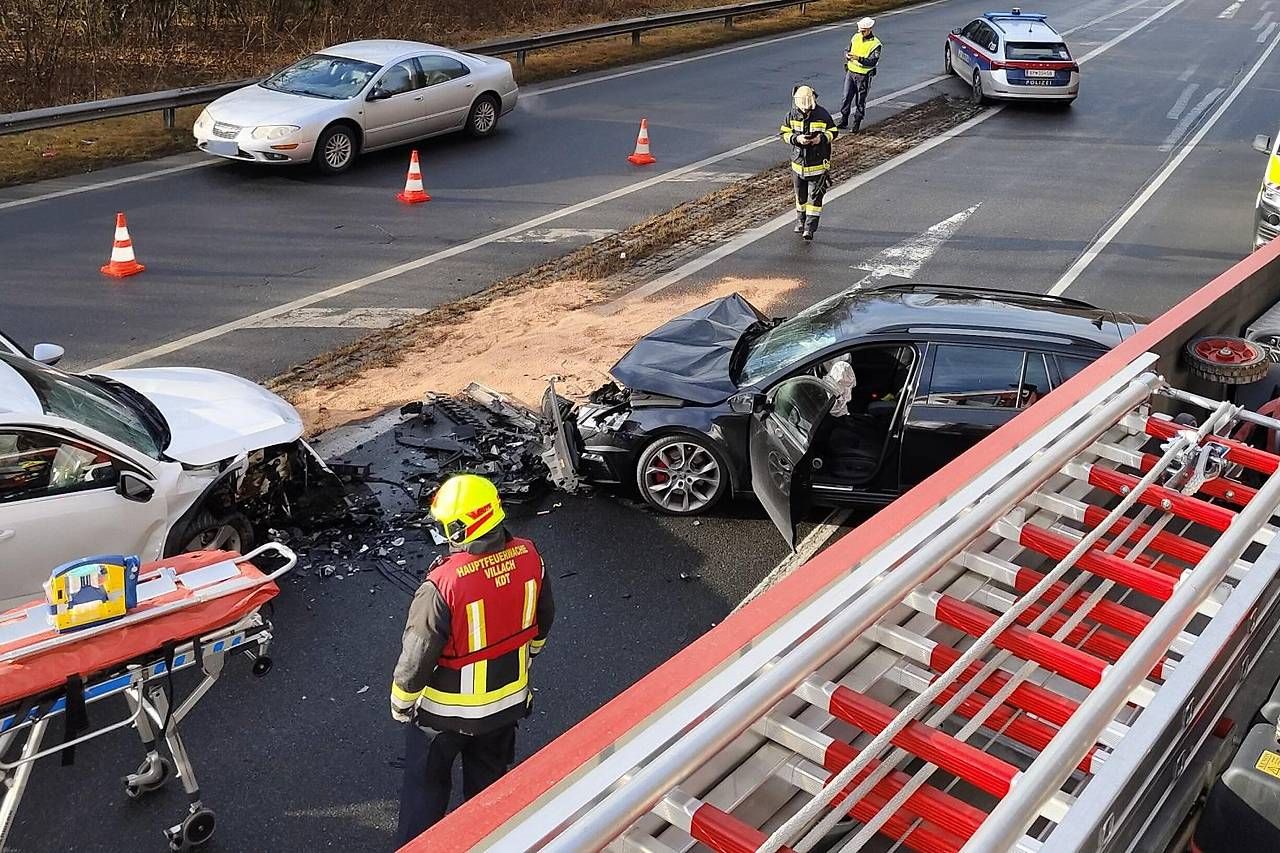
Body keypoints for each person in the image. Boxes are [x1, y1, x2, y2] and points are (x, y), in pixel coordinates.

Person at [390, 474, 555, 844]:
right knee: (489, 796)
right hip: (505, 707)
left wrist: (401, 704)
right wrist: (529, 655)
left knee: (425, 792)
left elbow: (416, 657)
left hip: (442, 718)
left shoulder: (443, 585)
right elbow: (544, 620)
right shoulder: (531, 557)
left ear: (465, 526)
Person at [780, 84, 837, 241]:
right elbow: (784, 133)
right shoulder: (791, 115)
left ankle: (810, 228)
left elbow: (833, 132)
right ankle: (800, 221)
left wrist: (820, 139)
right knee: (801, 197)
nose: (806, 111)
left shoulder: (822, 114)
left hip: (818, 165)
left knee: (815, 199)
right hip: (798, 166)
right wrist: (797, 139)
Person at [838, 17, 883, 131]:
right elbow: (847, 49)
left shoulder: (875, 44)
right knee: (846, 97)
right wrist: (847, 54)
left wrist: (859, 58)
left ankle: (856, 123)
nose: (861, 33)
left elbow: (872, 61)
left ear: (869, 29)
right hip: (851, 72)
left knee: (860, 100)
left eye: (863, 31)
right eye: (860, 30)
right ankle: (844, 120)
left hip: (864, 76)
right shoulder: (856, 37)